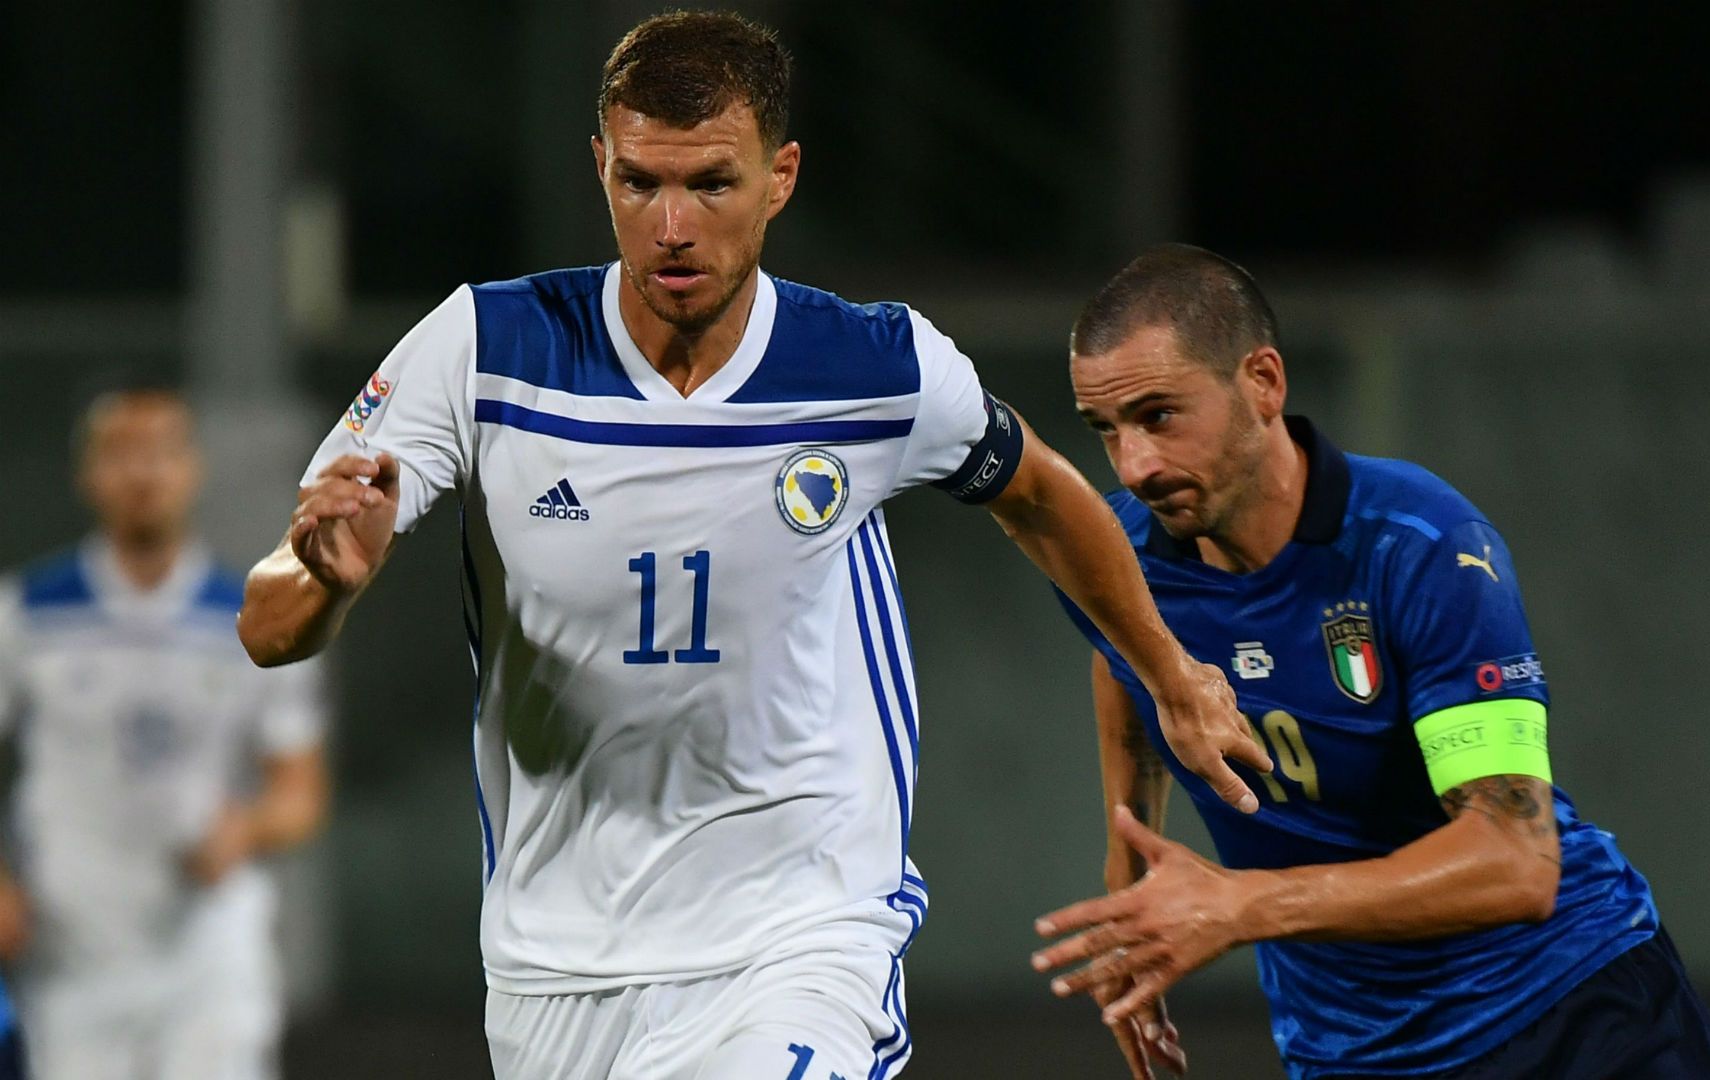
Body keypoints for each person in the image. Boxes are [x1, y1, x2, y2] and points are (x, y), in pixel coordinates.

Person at [235, 12, 1262, 1080]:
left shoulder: (876, 367)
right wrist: (322, 583)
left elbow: (1045, 495)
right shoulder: (487, 352)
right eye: (640, 183)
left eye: (712, 185)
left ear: (781, 176)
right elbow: (267, 627)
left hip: (799, 935)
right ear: (601, 168)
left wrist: (1172, 675)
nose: (672, 226)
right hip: (556, 970)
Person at [1033, 245, 1710, 1080]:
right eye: (1105, 431)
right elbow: (1123, 655)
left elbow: (1516, 863)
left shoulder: (1422, 545)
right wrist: (1131, 861)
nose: (1134, 466)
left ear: (1263, 383)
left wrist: (1237, 904)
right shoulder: (1113, 558)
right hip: (1351, 1051)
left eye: (1158, 416)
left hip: (1570, 1011)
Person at [0, 386, 329, 1080]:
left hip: (206, 951)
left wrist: (248, 828)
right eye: (121, 454)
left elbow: (300, 790)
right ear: (87, 474)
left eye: (162, 453)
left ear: (193, 469)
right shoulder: (26, 616)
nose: (143, 473)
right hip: (73, 950)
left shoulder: (254, 619)